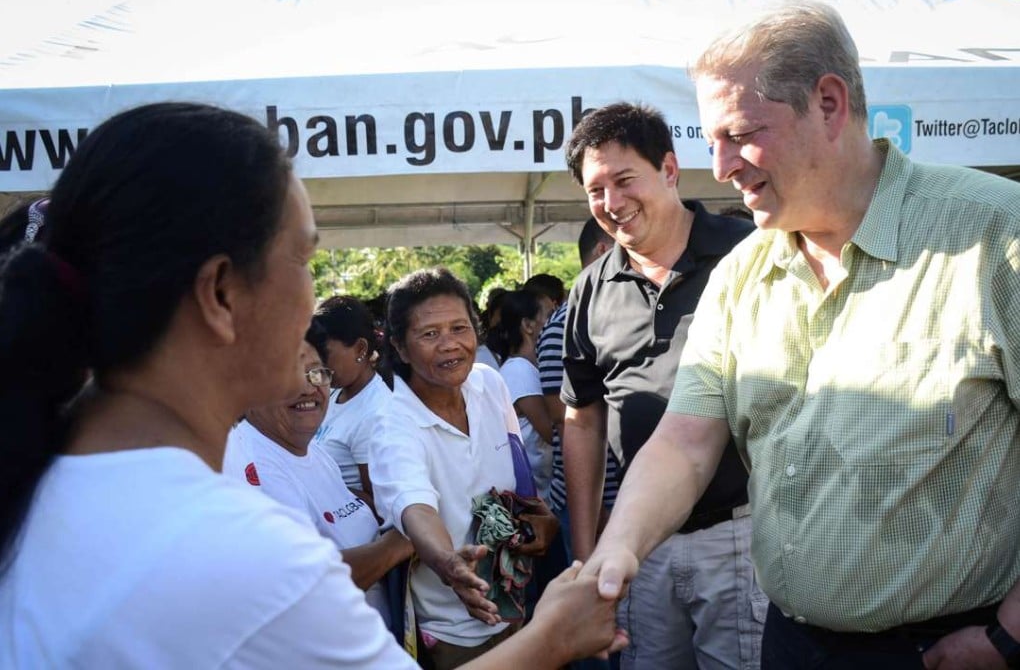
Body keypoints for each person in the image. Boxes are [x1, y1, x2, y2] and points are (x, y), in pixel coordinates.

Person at [0, 101, 625, 668]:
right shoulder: (244, 557)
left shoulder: (44, 485)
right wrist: (555, 636)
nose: (314, 301)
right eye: (302, 260)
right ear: (221, 294)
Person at [583, 0, 1020, 670]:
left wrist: (1008, 637)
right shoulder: (742, 275)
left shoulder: (994, 236)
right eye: (712, 141)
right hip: (790, 642)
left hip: (951, 647)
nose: (722, 166)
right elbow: (686, 441)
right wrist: (621, 545)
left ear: (829, 102)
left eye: (740, 134)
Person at [562, 102, 762, 669]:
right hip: (639, 545)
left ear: (669, 170)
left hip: (738, 535)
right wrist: (588, 551)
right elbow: (582, 416)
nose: (612, 203)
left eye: (625, 180)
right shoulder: (592, 288)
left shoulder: (744, 252)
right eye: (596, 190)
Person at [371, 267, 561, 670]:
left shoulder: (489, 384)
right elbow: (415, 508)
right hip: (455, 634)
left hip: (519, 609)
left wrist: (541, 521)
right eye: (429, 334)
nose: (449, 345)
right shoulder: (392, 424)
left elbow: (518, 479)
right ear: (401, 349)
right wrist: (448, 562)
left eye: (459, 327)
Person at [223, 325, 412, 627]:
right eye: (287, 376)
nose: (308, 388)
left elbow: (340, 504)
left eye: (317, 373)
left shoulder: (314, 451)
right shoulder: (253, 469)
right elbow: (310, 582)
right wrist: (400, 542)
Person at [538, 218, 619, 552]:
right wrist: (593, 509)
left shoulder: (620, 313)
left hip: (626, 499)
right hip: (596, 503)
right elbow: (565, 419)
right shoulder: (565, 323)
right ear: (603, 251)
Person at [311, 294, 392, 503]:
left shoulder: (375, 413)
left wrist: (318, 486)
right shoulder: (334, 391)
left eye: (324, 355)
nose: (318, 364)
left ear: (361, 349)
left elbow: (380, 506)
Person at [493, 289, 555, 506]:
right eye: (550, 315)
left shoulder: (526, 368)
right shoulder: (519, 371)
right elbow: (552, 432)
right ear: (528, 326)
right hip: (534, 498)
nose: (556, 321)